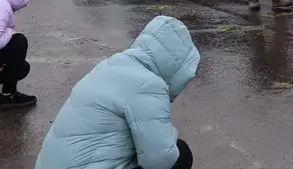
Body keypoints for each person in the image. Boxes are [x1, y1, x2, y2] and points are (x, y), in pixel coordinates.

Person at [35, 16, 198, 169]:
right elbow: (161, 160)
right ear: (176, 62)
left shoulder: (112, 65)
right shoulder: (148, 85)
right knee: (180, 154)